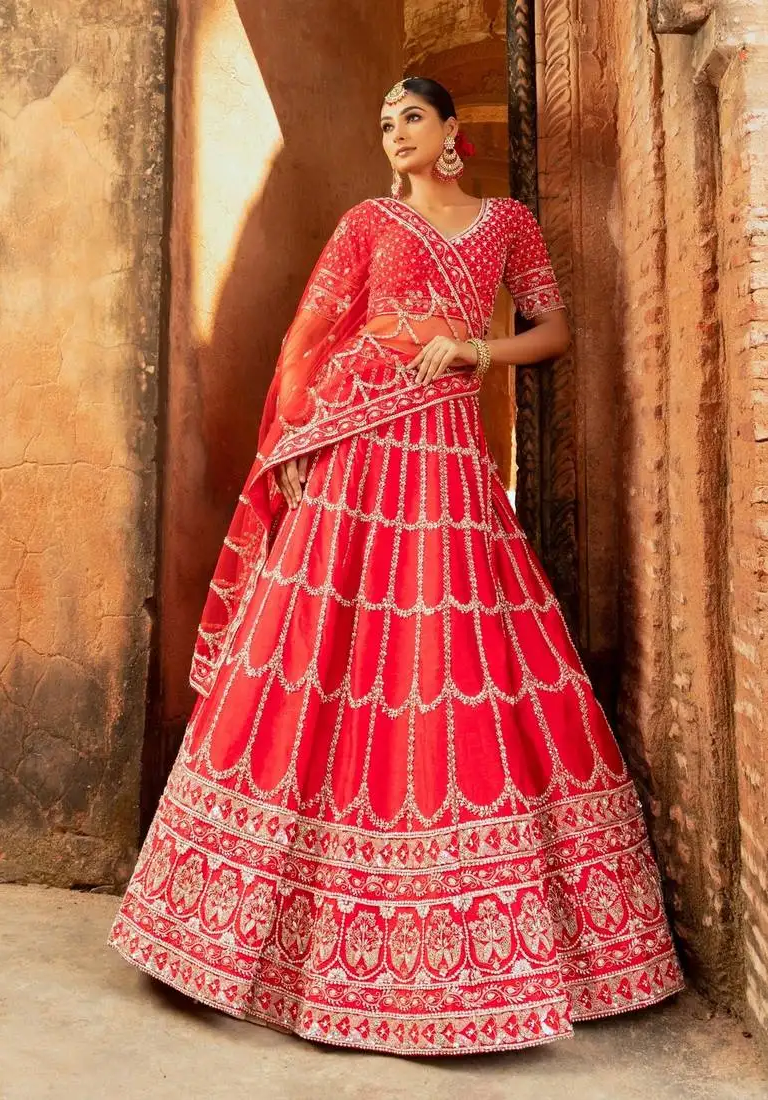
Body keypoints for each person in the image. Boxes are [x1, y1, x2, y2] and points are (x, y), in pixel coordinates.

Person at [108, 76, 685, 1056]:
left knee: (456, 661)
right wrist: (310, 427)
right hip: (355, 467)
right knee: (323, 664)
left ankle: (482, 949)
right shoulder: (365, 224)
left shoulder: (505, 223)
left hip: (451, 465)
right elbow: (307, 345)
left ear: (451, 131)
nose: (394, 131)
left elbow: (553, 333)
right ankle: (257, 940)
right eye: (383, 120)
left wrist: (472, 347)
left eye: (410, 116)